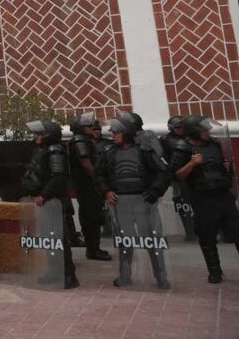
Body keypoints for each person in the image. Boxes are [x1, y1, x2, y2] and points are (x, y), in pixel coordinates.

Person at [96, 117, 171, 289]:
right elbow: (99, 175)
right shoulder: (109, 152)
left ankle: (161, 277)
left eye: (117, 133)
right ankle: (125, 275)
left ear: (128, 134)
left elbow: (163, 172)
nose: (113, 136)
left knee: (152, 240)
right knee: (125, 241)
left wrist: (155, 191)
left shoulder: (144, 150)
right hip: (120, 202)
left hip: (144, 202)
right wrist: (106, 191)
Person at [170, 115, 239, 283]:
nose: (207, 132)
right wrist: (192, 164)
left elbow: (226, 165)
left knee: (237, 233)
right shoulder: (183, 148)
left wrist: (227, 167)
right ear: (194, 132)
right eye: (203, 130)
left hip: (224, 196)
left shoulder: (215, 143)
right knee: (207, 237)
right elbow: (177, 175)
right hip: (203, 199)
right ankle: (215, 272)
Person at [22, 121, 78, 289]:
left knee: (59, 239)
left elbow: (58, 177)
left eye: (40, 134)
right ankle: (55, 272)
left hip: (53, 201)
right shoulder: (42, 150)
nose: (36, 136)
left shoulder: (55, 151)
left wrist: (44, 195)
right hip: (44, 202)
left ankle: (69, 275)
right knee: (49, 240)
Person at [68, 113, 111, 262]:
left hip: (87, 185)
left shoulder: (85, 140)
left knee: (92, 216)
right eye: (87, 126)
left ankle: (93, 248)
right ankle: (93, 250)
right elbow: (86, 163)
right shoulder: (80, 141)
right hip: (87, 186)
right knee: (91, 217)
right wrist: (98, 179)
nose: (90, 128)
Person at [160, 116, 198, 242]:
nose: (181, 129)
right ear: (171, 128)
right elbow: (162, 156)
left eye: (182, 126)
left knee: (198, 201)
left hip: (194, 173)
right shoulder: (165, 139)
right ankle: (189, 231)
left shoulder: (191, 137)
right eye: (177, 127)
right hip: (177, 175)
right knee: (181, 202)